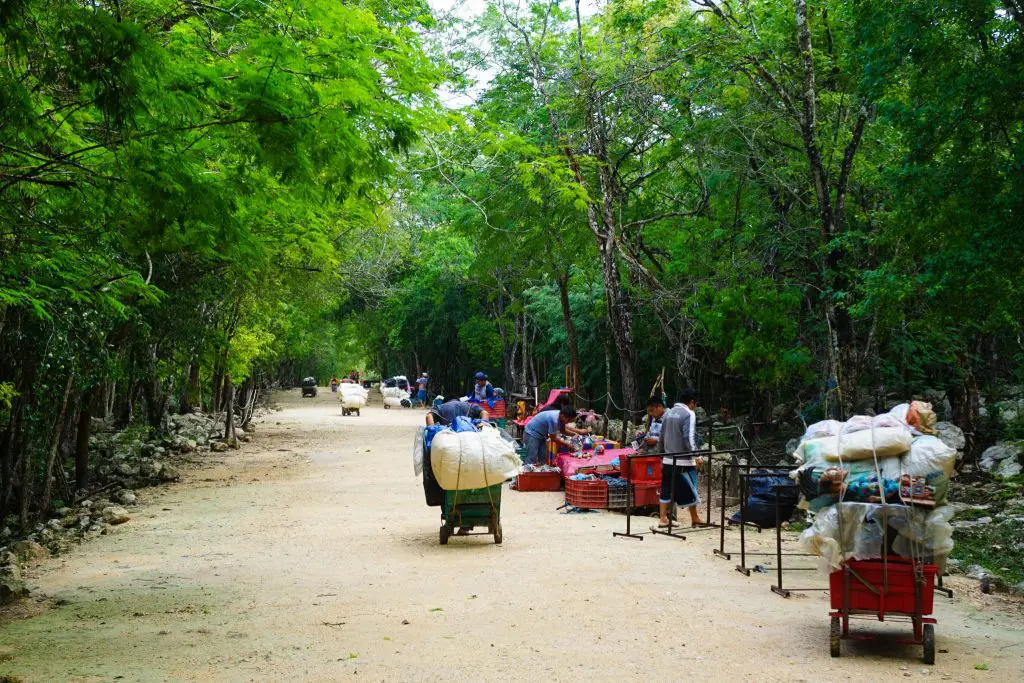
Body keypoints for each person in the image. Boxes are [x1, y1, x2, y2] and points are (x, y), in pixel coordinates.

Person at [657, 388, 704, 528]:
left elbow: (661, 437)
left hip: (667, 459)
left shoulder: (668, 413)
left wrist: (661, 455)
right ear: (692, 402)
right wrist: (697, 456)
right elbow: (688, 438)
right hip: (683, 460)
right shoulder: (689, 414)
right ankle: (694, 518)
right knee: (691, 486)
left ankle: (663, 518)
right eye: (695, 404)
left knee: (666, 488)